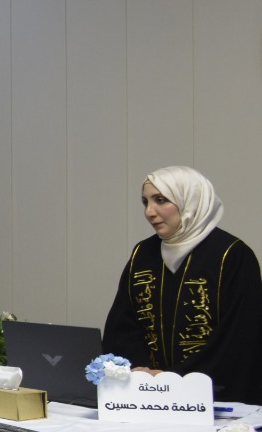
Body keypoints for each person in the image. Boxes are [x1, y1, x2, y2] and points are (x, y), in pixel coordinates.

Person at [102, 165, 262, 404]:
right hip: (147, 396)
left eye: (160, 200)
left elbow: (238, 336)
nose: (149, 212)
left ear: (190, 200)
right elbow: (123, 327)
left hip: (213, 397)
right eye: (145, 202)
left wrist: (175, 377)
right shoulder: (143, 254)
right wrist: (141, 372)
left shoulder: (231, 255)